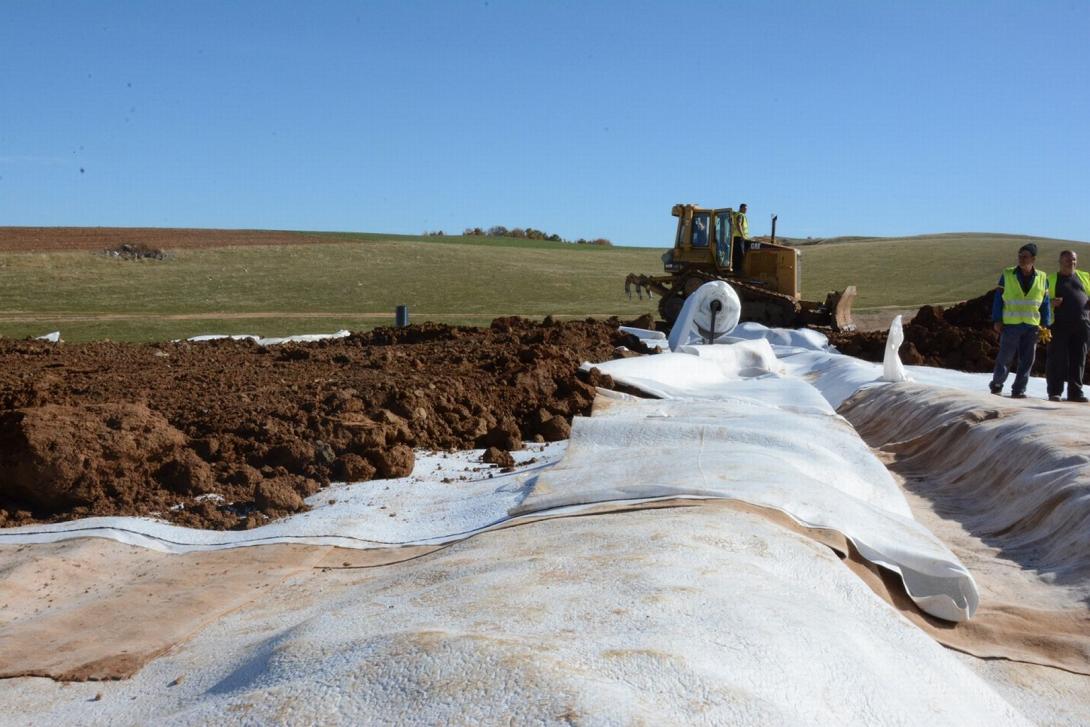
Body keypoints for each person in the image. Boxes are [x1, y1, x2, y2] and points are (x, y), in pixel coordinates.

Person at [989, 242, 1051, 398]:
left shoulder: (1043, 277)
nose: (1021, 259)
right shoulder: (1008, 274)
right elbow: (998, 299)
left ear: (1033, 259)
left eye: (1025, 256)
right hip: (1011, 324)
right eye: (1020, 256)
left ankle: (1019, 390)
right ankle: (997, 384)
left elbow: (1045, 303)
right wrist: (997, 319)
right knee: (1005, 357)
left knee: (1027, 360)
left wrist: (1045, 323)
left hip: (1032, 325)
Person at [1045, 249, 1090, 402]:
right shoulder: (1050, 279)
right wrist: (1050, 302)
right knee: (1057, 358)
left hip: (1082, 324)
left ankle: (1075, 392)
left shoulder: (1084, 277)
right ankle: (1055, 392)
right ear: (1060, 261)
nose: (1071, 263)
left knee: (1079, 359)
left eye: (1074, 260)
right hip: (1059, 325)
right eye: (1067, 260)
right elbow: (1039, 300)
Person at [731, 203, 749, 272]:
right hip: (739, 237)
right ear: (741, 208)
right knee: (740, 254)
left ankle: (738, 268)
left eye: (746, 209)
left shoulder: (741, 215)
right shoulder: (740, 215)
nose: (746, 210)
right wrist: (742, 235)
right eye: (745, 209)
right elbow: (739, 224)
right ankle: (737, 269)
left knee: (739, 253)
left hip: (741, 237)